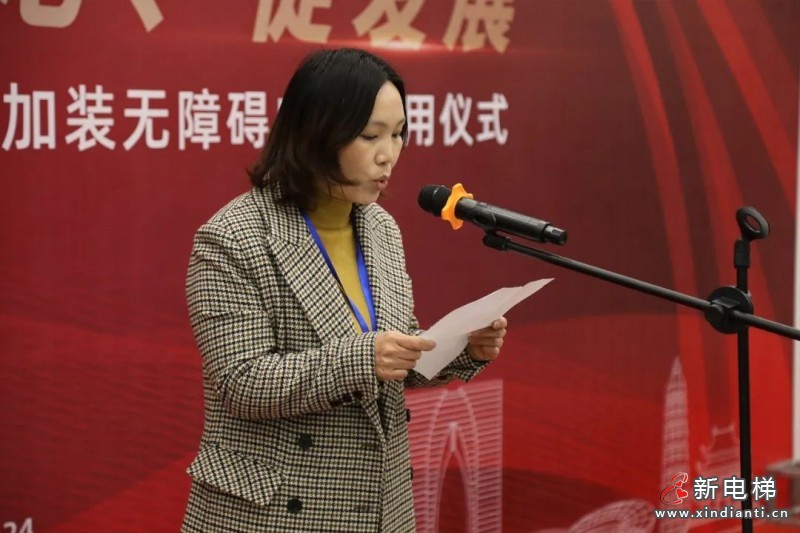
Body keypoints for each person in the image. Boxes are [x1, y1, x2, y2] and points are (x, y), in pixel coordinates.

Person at [181, 47, 508, 533]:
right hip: (274, 515)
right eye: (370, 135)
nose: (388, 154)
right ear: (316, 132)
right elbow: (240, 383)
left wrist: (462, 348)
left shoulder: (380, 228)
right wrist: (363, 358)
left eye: (398, 134)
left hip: (379, 508)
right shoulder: (232, 238)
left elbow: (390, 364)